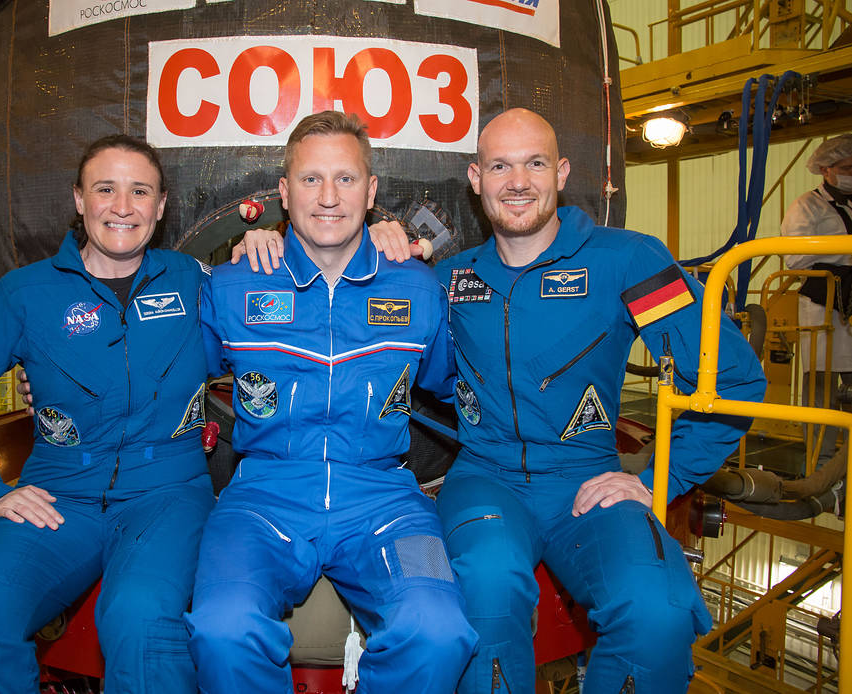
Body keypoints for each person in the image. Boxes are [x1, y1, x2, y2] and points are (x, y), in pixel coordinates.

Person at [237, 108, 766, 692]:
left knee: (658, 613)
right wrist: (270, 242)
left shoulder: (631, 260)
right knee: (484, 601)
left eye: (534, 163)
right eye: (499, 166)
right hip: (484, 479)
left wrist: (657, 479)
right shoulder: (447, 279)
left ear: (561, 171)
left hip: (587, 479)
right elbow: (373, 311)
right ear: (475, 179)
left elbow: (733, 379)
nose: (517, 182)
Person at [185, 111, 477, 694]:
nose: (327, 197)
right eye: (311, 179)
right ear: (283, 193)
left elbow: (461, 386)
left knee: (439, 631)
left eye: (345, 179)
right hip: (264, 495)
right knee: (222, 628)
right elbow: (164, 377)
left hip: (382, 499)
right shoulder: (233, 284)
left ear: (370, 193)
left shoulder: (417, 287)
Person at [0, 134, 215, 694]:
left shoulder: (194, 282)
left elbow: (270, 335)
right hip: (58, 493)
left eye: (139, 191)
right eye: (106, 189)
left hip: (166, 490)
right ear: (79, 199)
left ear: (162, 206)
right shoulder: (24, 295)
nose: (122, 207)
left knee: (142, 623)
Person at [780, 134, 852, 466]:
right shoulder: (807, 206)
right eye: (846, 167)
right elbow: (795, 258)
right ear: (825, 169)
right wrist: (843, 248)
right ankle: (820, 467)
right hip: (824, 308)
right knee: (821, 395)